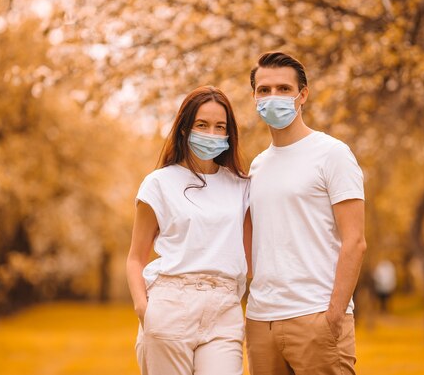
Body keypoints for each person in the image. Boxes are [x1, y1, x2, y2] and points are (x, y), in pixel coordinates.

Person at [244, 52, 367, 375]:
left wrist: (334, 315)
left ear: (303, 95)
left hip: (316, 317)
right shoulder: (256, 166)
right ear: (255, 97)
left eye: (284, 89)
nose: (274, 97)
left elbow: (355, 241)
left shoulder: (332, 154)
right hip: (261, 321)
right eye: (265, 90)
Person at [126, 86, 249, 375]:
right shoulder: (159, 183)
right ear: (184, 129)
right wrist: (144, 309)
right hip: (171, 305)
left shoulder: (242, 185)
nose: (212, 133)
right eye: (202, 125)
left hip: (225, 308)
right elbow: (135, 257)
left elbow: (250, 252)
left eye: (220, 127)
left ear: (229, 134)